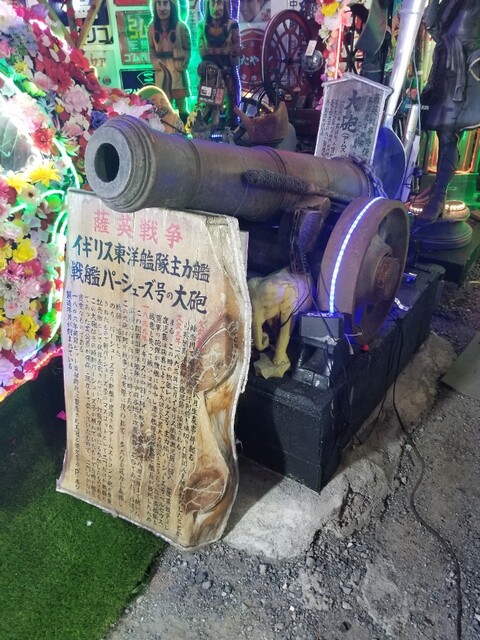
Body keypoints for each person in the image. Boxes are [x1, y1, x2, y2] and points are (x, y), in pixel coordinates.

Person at [417, 0, 480, 224]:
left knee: (447, 132)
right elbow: (434, 27)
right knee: (441, 131)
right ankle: (437, 190)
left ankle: (439, 196)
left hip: (464, 71)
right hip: (444, 68)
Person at [197, 0, 241, 128]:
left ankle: (232, 124)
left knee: (231, 97)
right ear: (207, 5)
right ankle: (208, 124)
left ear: (225, 4)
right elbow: (202, 49)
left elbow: (236, 46)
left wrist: (232, 59)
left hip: (227, 67)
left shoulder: (232, 25)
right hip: (210, 68)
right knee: (208, 100)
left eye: (220, 3)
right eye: (213, 3)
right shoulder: (202, 25)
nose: (217, 7)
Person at [148, 0, 191, 121]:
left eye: (165, 3)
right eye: (159, 4)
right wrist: (154, 62)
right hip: (161, 69)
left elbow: (188, 48)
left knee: (181, 101)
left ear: (172, 5)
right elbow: (151, 48)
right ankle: (168, 126)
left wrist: (183, 63)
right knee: (164, 101)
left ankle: (184, 124)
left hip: (177, 69)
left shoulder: (181, 27)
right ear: (154, 6)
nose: (162, 8)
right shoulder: (152, 27)